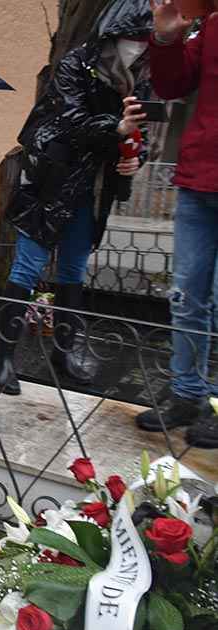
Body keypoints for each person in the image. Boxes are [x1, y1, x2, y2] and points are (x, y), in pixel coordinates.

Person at [0, 2, 152, 396]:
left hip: (93, 187)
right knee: (28, 266)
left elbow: (140, 134)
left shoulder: (141, 77)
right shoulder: (76, 64)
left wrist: (135, 157)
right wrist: (115, 126)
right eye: (133, 39)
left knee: (74, 269)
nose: (139, 48)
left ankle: (64, 352)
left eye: (144, 42)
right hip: (51, 181)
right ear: (114, 35)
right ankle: (3, 357)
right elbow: (67, 120)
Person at [136, 0, 218, 448]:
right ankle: (187, 394)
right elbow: (171, 85)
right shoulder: (210, 27)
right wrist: (166, 36)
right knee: (187, 296)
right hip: (199, 182)